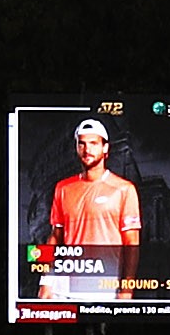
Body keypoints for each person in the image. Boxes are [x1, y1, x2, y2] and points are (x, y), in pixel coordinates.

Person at [42, 119, 141, 288]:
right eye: (82, 144)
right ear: (77, 148)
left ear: (105, 148)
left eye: (94, 143)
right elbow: (54, 237)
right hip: (65, 286)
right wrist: (45, 281)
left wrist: (126, 290)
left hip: (104, 286)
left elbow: (131, 243)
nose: (87, 150)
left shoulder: (124, 189)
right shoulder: (63, 188)